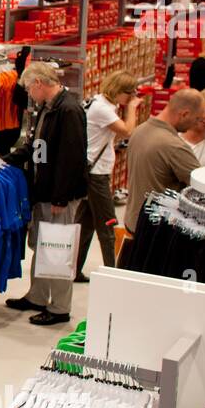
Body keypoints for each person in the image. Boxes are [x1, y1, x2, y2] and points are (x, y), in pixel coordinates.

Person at [5, 62, 89, 325]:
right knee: (42, 245)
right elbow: (35, 146)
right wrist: (7, 159)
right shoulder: (48, 108)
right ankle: (38, 296)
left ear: (39, 83)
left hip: (58, 197)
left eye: (30, 88)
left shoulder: (69, 110)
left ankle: (60, 307)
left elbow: (72, 158)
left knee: (57, 248)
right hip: (45, 192)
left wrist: (60, 198)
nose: (29, 94)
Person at [74, 70, 139, 280]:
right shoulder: (103, 109)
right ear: (120, 91)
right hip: (96, 175)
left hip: (92, 171)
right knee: (108, 224)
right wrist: (132, 109)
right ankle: (114, 274)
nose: (132, 97)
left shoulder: (99, 102)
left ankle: (74, 269)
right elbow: (127, 131)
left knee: (86, 223)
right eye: (130, 94)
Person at [119, 88, 203, 243]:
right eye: (197, 118)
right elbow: (201, 187)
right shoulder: (174, 146)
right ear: (184, 114)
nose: (197, 124)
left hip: (133, 220)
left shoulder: (140, 130)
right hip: (157, 229)